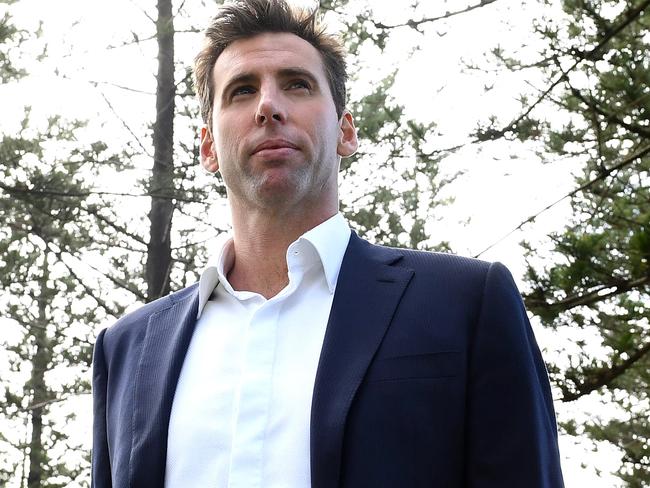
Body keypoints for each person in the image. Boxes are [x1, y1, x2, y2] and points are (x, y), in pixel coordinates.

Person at [91, 0, 565, 487]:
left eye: (297, 83)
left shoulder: (466, 304)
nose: (268, 106)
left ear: (346, 131)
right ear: (209, 147)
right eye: (241, 90)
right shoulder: (126, 349)